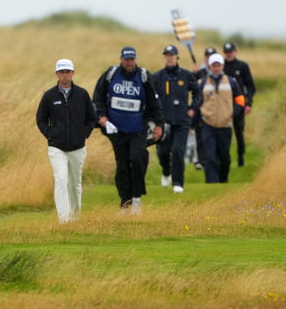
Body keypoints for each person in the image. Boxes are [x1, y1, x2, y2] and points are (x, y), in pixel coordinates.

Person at [93, 47, 164, 214]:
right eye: (126, 59)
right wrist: (101, 117)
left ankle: (137, 197)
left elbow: (155, 103)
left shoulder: (144, 77)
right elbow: (98, 98)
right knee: (122, 165)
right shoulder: (110, 75)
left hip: (138, 128)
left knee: (138, 158)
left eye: (131, 59)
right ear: (121, 59)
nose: (129, 62)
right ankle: (125, 202)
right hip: (116, 130)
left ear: (135, 60)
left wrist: (159, 124)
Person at [36, 59, 97, 223]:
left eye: (68, 72)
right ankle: (64, 220)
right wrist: (50, 134)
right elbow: (41, 119)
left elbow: (92, 118)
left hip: (78, 147)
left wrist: (84, 134)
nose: (65, 75)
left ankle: (75, 217)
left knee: (75, 184)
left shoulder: (82, 94)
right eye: (62, 72)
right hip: (57, 147)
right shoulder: (50, 95)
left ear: (73, 73)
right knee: (61, 180)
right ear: (57, 74)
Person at [152, 45, 199, 193]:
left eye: (172, 55)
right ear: (164, 57)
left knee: (178, 151)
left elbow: (198, 93)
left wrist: (192, 109)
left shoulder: (186, 75)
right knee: (163, 153)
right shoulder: (157, 76)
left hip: (182, 120)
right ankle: (166, 172)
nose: (170, 57)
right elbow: (151, 97)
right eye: (167, 55)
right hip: (163, 122)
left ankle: (178, 183)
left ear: (177, 57)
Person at [197, 53, 245, 183]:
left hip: (225, 124)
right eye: (214, 66)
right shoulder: (201, 83)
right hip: (208, 123)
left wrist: (235, 112)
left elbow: (240, 98)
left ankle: (222, 180)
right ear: (210, 66)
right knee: (209, 156)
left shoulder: (231, 81)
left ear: (222, 66)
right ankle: (211, 182)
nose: (216, 68)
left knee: (225, 158)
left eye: (218, 65)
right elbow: (197, 102)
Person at [223, 42, 256, 167]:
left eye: (231, 52)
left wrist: (249, 103)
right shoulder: (221, 67)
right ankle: (224, 159)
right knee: (224, 134)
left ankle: (240, 156)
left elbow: (251, 86)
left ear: (235, 52)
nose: (229, 54)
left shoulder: (242, 66)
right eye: (226, 52)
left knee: (239, 133)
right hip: (224, 105)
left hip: (239, 105)